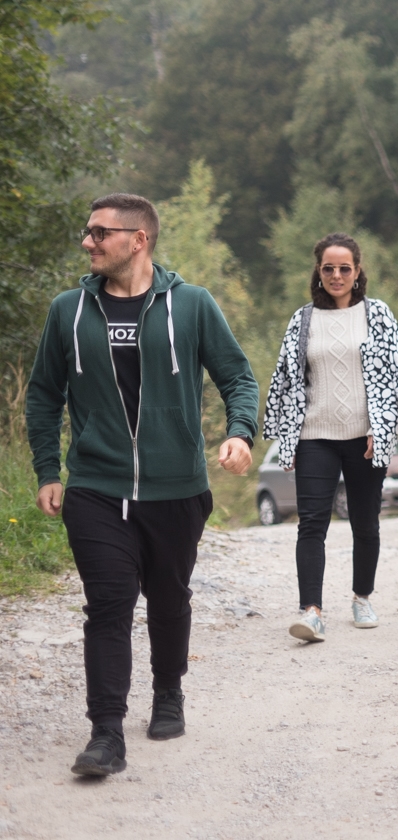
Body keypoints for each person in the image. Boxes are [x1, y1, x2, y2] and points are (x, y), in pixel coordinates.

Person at [25, 194, 259, 777]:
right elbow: (44, 394)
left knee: (169, 598)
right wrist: (49, 471)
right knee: (108, 605)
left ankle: (167, 691)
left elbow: (237, 376)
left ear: (138, 240)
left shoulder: (193, 304)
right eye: (88, 232)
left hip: (176, 486)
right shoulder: (68, 310)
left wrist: (240, 433)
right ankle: (106, 733)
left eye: (100, 233)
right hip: (96, 485)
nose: (88, 242)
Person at [263, 232, 398, 643]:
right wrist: (284, 437)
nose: (336, 275)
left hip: (364, 438)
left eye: (344, 268)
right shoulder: (303, 320)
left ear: (357, 272)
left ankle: (362, 598)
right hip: (314, 436)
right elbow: (285, 378)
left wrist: (383, 427)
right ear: (318, 272)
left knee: (365, 522)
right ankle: (311, 612)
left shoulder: (378, 315)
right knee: (311, 524)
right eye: (328, 268)